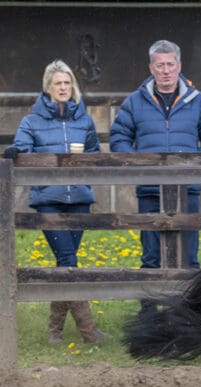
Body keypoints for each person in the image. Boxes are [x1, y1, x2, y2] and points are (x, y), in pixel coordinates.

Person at [3, 60, 107, 344]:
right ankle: (88, 331)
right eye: (58, 83)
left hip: (80, 200)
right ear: (47, 87)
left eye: (67, 83)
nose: (63, 88)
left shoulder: (84, 120)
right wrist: (16, 151)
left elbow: (95, 154)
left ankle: (54, 332)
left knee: (66, 263)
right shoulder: (31, 121)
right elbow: (23, 145)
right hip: (49, 199)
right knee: (68, 260)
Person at [110, 39, 201, 272]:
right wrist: (138, 164)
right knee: (151, 256)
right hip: (150, 188)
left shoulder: (198, 101)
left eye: (170, 64)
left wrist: (197, 162)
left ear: (179, 66)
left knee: (189, 255)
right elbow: (119, 138)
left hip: (187, 187)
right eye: (160, 65)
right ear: (151, 68)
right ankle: (150, 308)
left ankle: (187, 307)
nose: (166, 71)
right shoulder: (134, 102)